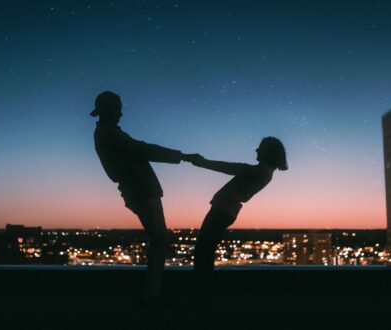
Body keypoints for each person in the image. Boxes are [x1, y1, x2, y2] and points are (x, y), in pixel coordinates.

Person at [91, 91, 197, 305]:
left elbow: (139, 150)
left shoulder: (107, 133)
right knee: (160, 240)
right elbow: (143, 149)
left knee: (160, 239)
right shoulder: (109, 134)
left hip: (139, 190)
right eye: (118, 108)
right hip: (141, 190)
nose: (121, 113)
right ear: (110, 109)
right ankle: (152, 294)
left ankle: (152, 292)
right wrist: (181, 156)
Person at [190, 137, 288, 296]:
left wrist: (202, 162)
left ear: (269, 152)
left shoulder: (261, 171)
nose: (256, 150)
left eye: (260, 148)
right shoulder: (265, 172)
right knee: (205, 250)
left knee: (203, 250)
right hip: (226, 210)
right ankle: (202, 288)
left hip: (223, 209)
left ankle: (201, 290)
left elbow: (230, 168)